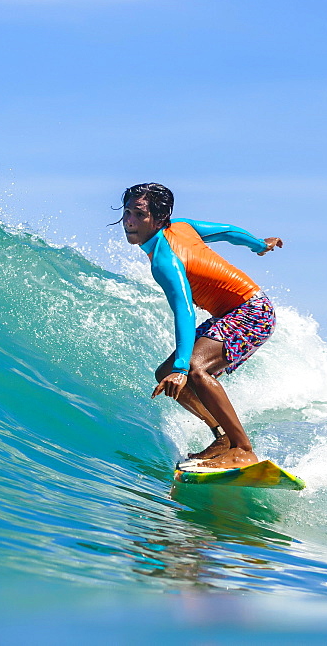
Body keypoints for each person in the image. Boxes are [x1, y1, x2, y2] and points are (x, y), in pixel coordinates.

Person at [117, 183, 283, 469]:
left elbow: (184, 311)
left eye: (139, 214)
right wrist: (258, 245)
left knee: (194, 369)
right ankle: (222, 438)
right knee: (165, 372)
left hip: (251, 311)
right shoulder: (180, 227)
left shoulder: (164, 260)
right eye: (127, 211)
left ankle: (243, 448)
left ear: (158, 219)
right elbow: (228, 232)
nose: (129, 220)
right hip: (235, 313)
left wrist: (183, 369)